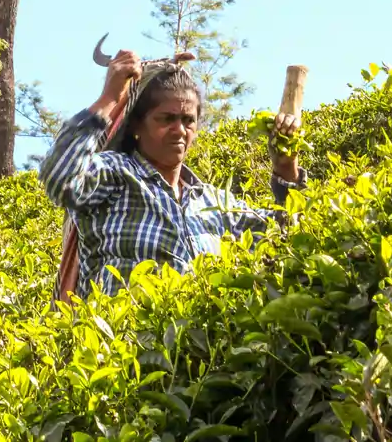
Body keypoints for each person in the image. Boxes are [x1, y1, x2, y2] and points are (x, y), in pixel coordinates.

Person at [40, 48, 308, 302]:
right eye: (166, 119)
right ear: (136, 126)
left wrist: (286, 167)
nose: (180, 130)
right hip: (120, 344)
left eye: (188, 120)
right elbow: (61, 179)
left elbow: (289, 237)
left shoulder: (212, 203)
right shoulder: (116, 175)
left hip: (197, 347)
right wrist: (109, 97)